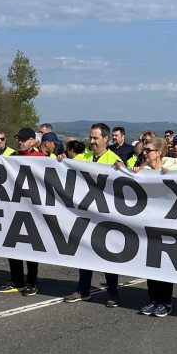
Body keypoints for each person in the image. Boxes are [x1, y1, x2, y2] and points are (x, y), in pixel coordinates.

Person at [66, 123, 126, 305]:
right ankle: (83, 289)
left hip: (105, 215)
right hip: (86, 212)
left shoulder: (113, 159)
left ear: (105, 139)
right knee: (84, 252)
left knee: (108, 254)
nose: (91, 141)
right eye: (91, 137)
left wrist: (123, 169)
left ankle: (113, 293)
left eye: (95, 138)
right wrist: (61, 159)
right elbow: (68, 165)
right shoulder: (85, 156)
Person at [134, 137, 177, 317]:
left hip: (169, 224)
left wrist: (172, 176)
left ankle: (166, 301)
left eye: (148, 150)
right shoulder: (144, 170)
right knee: (152, 262)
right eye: (144, 150)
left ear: (159, 153)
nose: (145, 153)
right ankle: (153, 298)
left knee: (165, 263)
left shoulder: (175, 167)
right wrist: (132, 173)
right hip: (150, 223)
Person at [0, 128, 43, 296]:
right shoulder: (11, 158)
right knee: (12, 244)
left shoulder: (42, 158)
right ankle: (16, 279)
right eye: (19, 139)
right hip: (14, 207)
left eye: (24, 139)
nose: (20, 142)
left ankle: (32, 282)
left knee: (31, 246)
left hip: (33, 209)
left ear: (33, 141)